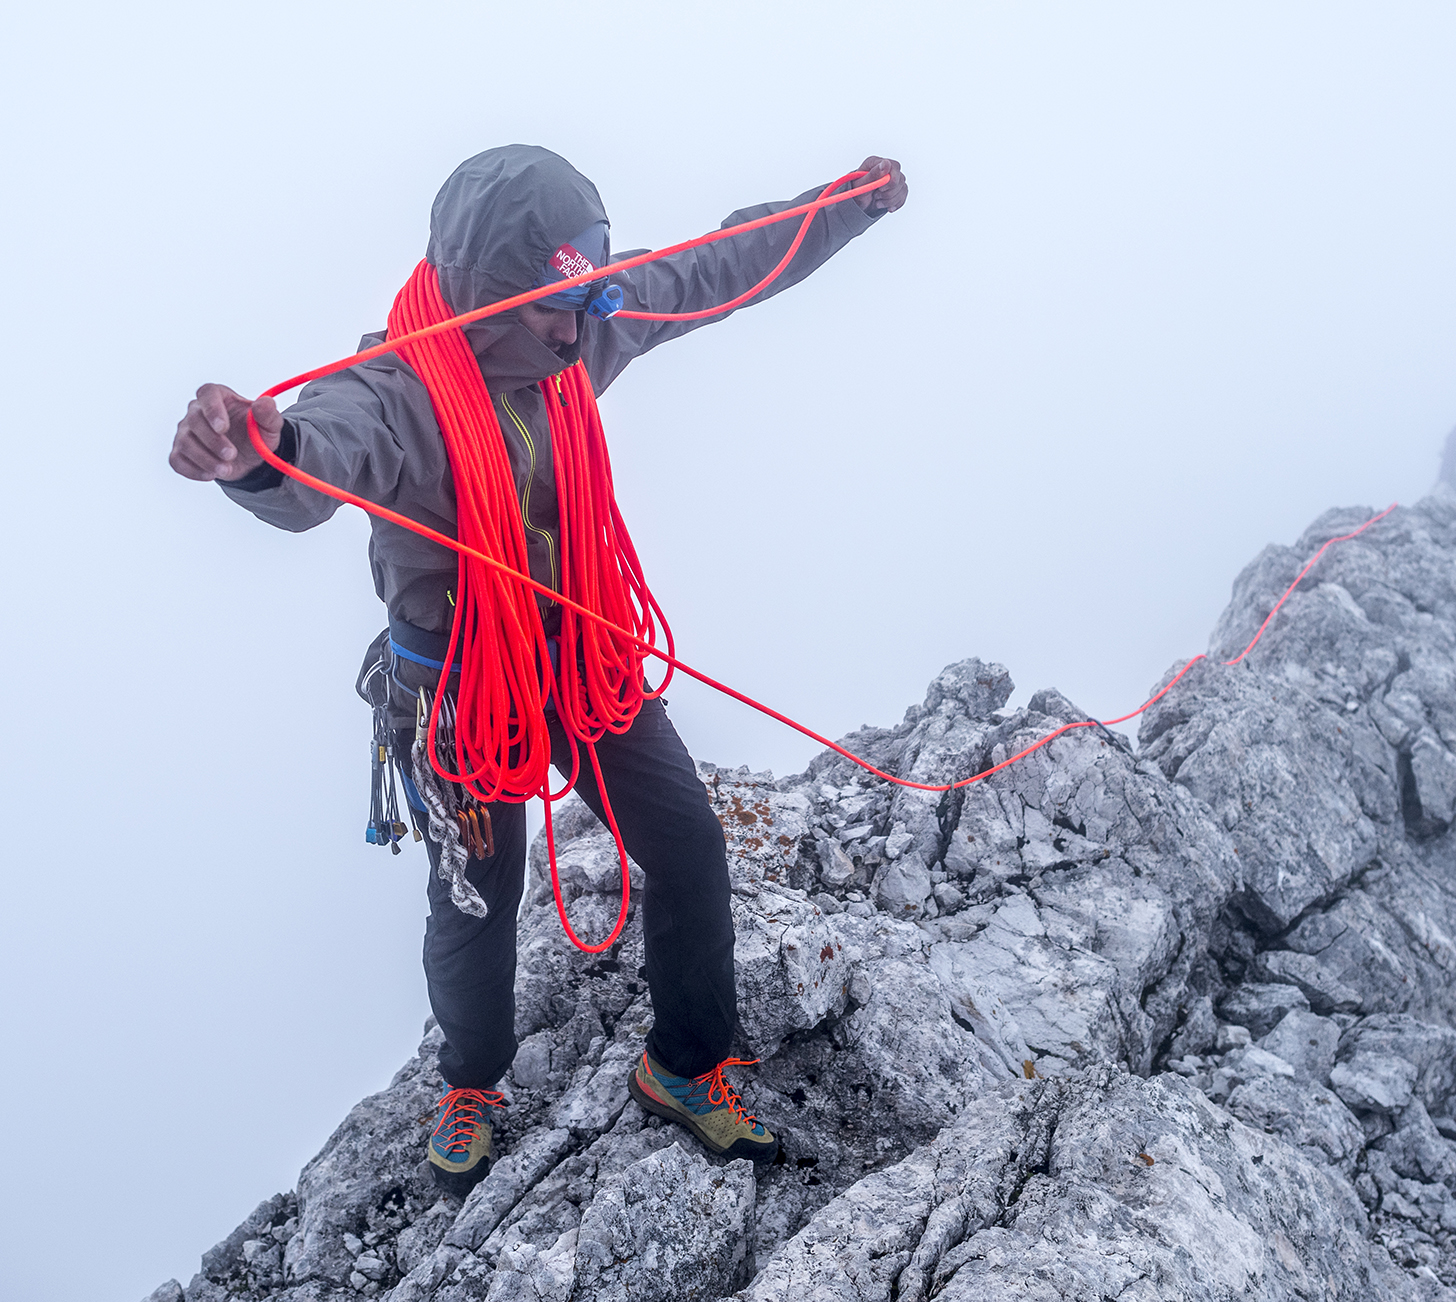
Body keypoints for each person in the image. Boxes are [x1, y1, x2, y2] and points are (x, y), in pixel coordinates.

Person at [167, 145, 908, 1193]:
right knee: (475, 898)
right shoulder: (398, 394)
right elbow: (317, 452)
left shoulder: (579, 338)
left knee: (688, 845)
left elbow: (716, 268)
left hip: (580, 661)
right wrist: (252, 457)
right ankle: (471, 1083)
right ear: (479, 303)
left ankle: (686, 1067)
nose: (574, 332)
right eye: (548, 311)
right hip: (461, 695)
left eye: (581, 301)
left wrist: (844, 206)